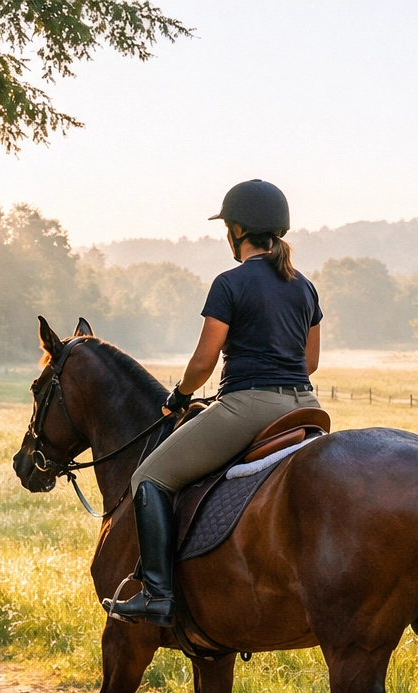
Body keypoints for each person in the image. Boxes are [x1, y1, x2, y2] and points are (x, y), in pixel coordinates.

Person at [103, 179, 323, 627]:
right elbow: (311, 361)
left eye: (227, 227)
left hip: (249, 407)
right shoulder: (305, 287)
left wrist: (180, 396)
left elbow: (204, 360)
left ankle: (158, 595)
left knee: (149, 476)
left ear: (237, 230)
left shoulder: (230, 283)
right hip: (306, 405)